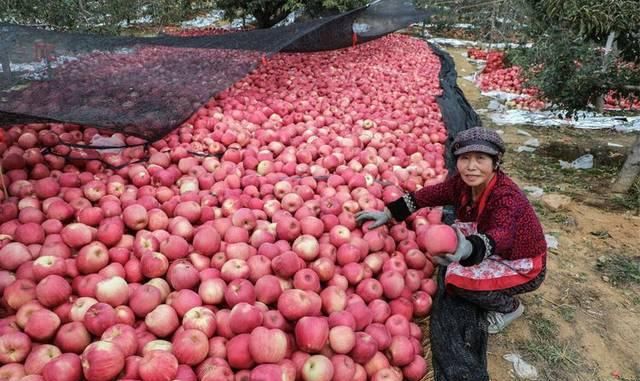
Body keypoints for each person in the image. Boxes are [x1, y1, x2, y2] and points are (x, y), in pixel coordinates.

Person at [356, 127, 547, 333]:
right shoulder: (460, 185)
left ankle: (510, 308)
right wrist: (390, 213)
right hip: (494, 250)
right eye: (464, 158)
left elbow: (502, 234)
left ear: (495, 162)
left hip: (522, 262)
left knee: (459, 282)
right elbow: (427, 195)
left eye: (480, 158)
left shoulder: (505, 196)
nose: (471, 167)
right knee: (454, 267)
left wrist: (468, 249)